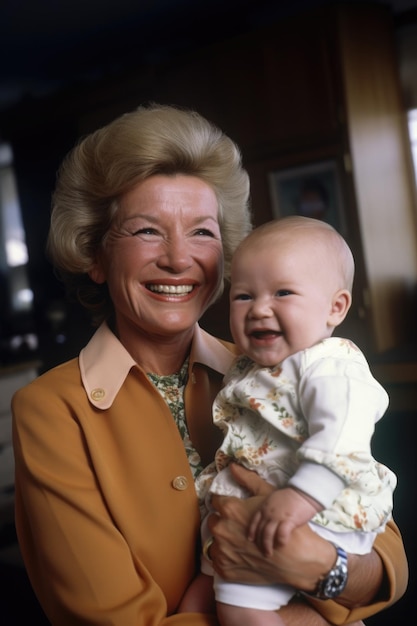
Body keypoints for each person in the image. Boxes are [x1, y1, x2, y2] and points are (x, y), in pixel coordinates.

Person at [11, 104, 407, 626]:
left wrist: (319, 565)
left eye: (202, 232)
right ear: (96, 253)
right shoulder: (51, 411)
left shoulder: (279, 366)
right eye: (147, 231)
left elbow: (386, 563)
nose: (179, 259)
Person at [180, 216, 397, 625]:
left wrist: (302, 497)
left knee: (237, 607)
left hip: (310, 509)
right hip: (254, 514)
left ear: (336, 307)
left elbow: (342, 437)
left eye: (283, 293)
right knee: (195, 602)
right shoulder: (251, 366)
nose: (260, 308)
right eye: (243, 296)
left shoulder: (329, 366)